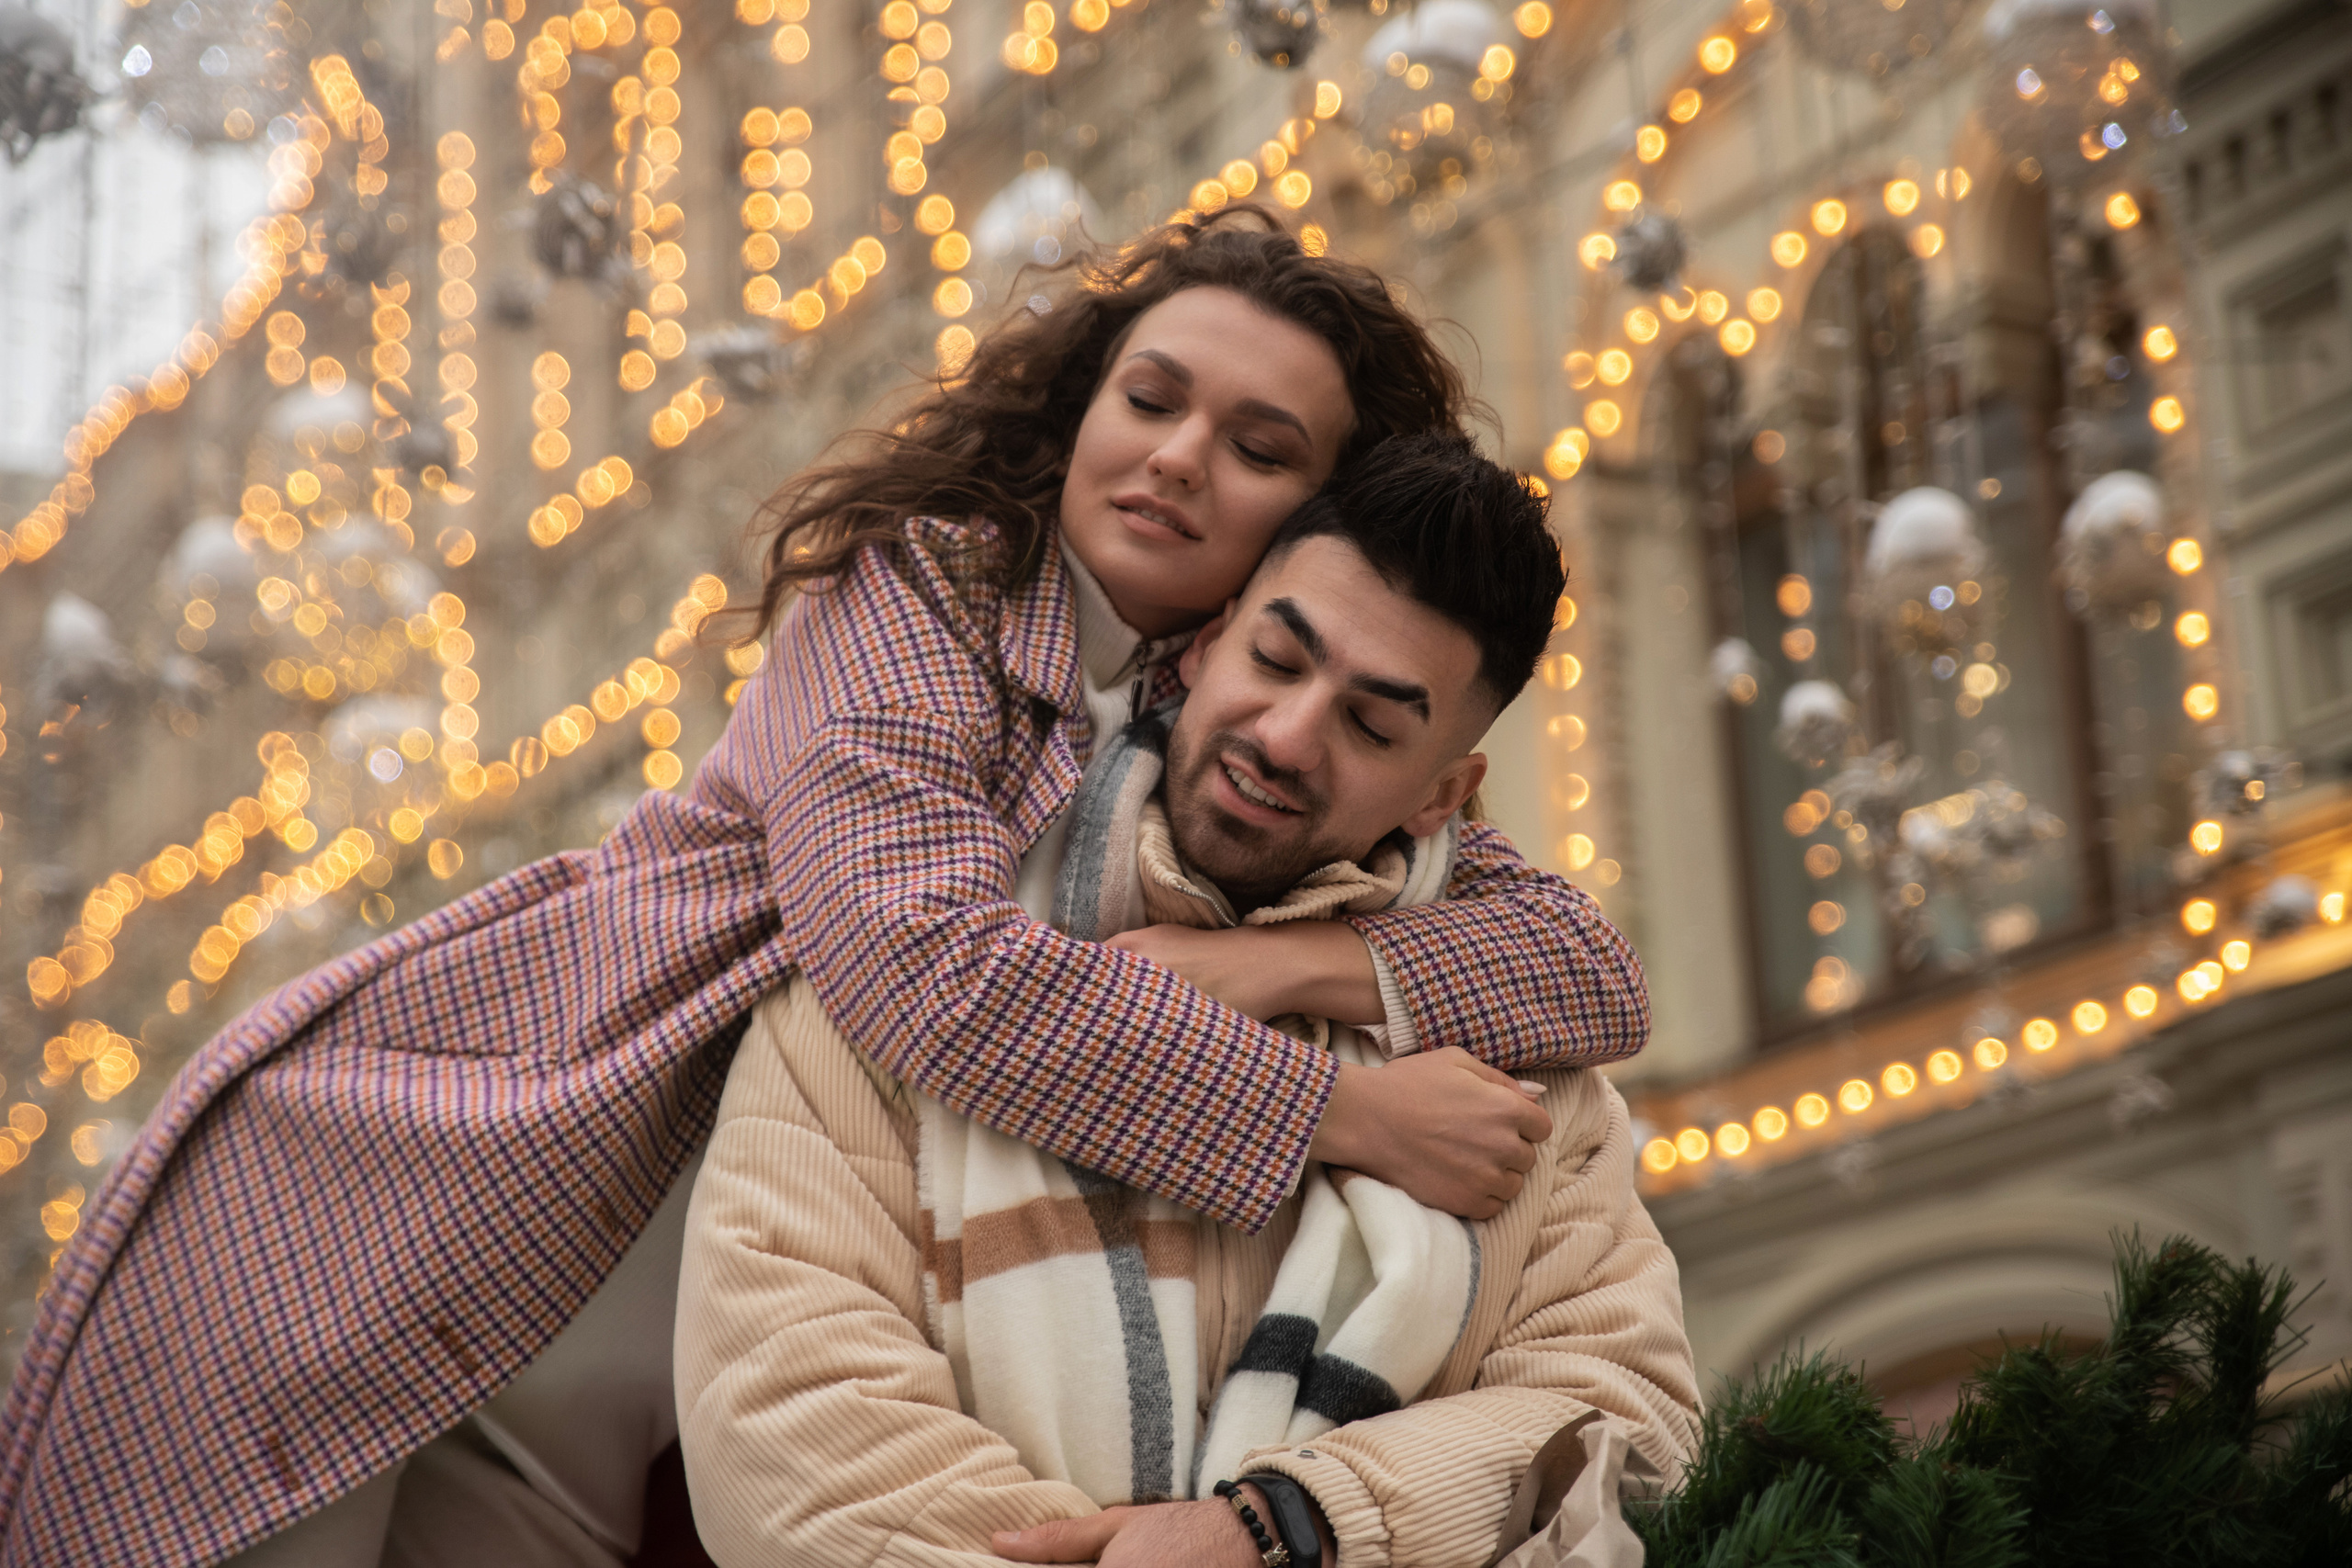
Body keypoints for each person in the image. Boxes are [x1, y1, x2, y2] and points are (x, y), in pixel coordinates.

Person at [0, 210, 1649, 1568]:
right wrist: (1331, 1099)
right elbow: (928, 977)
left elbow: (1581, 970)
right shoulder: (930, 591)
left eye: (1259, 443)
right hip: (436, 1213)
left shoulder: (1226, 719)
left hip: (626, 1394)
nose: (1176, 458)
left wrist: (1311, 967)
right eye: (1151, 398)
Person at [673, 434, 1700, 1568]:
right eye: (1276, 658)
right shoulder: (894, 970)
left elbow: (1625, 1431)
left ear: (1443, 793)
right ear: (1204, 645)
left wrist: (1286, 1533)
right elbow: (789, 1437)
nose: (1288, 735)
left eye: (1371, 725)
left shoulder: (1526, 1079)